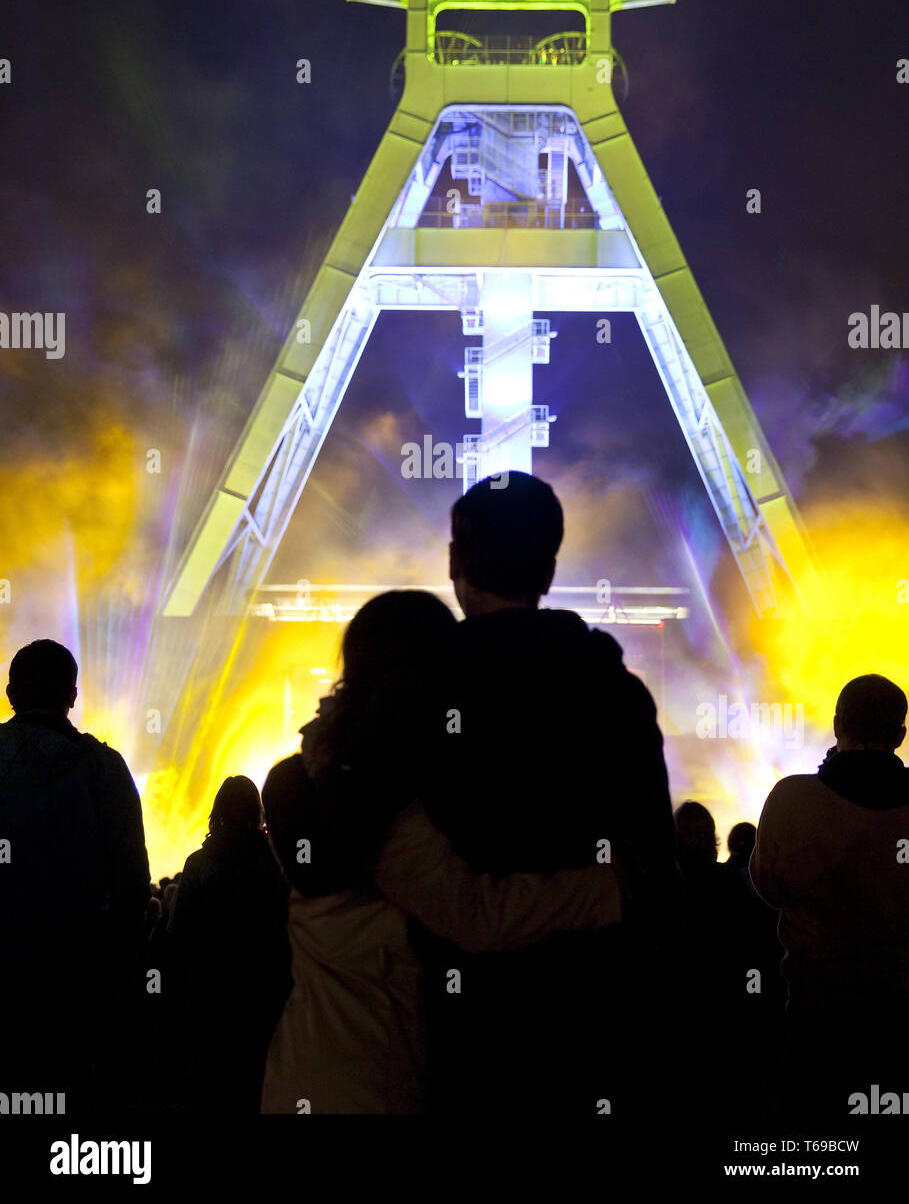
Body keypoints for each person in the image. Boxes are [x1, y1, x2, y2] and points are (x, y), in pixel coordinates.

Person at [262, 590, 625, 1114]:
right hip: (369, 1080)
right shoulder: (378, 803)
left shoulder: (317, 776)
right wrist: (609, 888)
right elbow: (476, 916)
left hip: (308, 1069)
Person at [416, 472, 678, 1117]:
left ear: (455, 561)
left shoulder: (415, 694)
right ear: (551, 568)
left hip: (452, 1027)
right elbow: (650, 873)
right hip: (587, 1021)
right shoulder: (613, 693)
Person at [0, 639, 150, 1109]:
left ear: (10, 693)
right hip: (76, 988)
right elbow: (131, 886)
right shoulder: (104, 769)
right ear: (73, 696)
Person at [751, 674, 909, 1114]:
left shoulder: (790, 799)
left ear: (838, 725)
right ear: (900, 735)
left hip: (816, 1008)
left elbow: (768, 887)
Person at [168, 776, 291, 1113]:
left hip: (209, 997)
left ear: (218, 812)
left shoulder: (199, 865)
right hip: (265, 995)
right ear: (257, 811)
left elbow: (179, 936)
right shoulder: (276, 864)